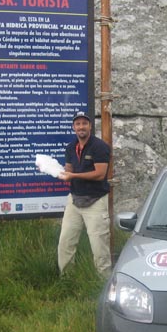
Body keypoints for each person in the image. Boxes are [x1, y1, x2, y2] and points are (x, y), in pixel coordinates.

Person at [57, 111, 112, 277]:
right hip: (74, 201)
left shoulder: (100, 147)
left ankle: (103, 282)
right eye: (78, 124)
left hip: (95, 201)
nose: (81, 127)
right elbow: (68, 172)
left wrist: (73, 176)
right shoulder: (70, 148)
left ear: (89, 126)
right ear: (73, 127)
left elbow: (100, 174)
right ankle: (66, 279)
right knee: (65, 243)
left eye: (84, 123)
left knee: (99, 246)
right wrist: (51, 169)